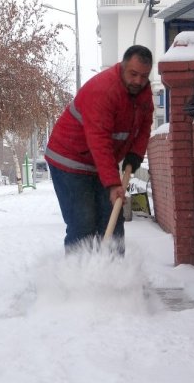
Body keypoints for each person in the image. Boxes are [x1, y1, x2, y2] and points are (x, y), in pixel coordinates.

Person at [45, 45, 154, 255]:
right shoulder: (104, 90)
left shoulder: (142, 92)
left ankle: (114, 276)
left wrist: (135, 154)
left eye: (144, 76)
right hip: (70, 159)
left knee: (112, 218)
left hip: (101, 163)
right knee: (83, 221)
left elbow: (145, 125)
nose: (138, 81)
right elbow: (99, 140)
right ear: (122, 67)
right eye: (133, 74)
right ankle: (79, 278)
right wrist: (113, 184)